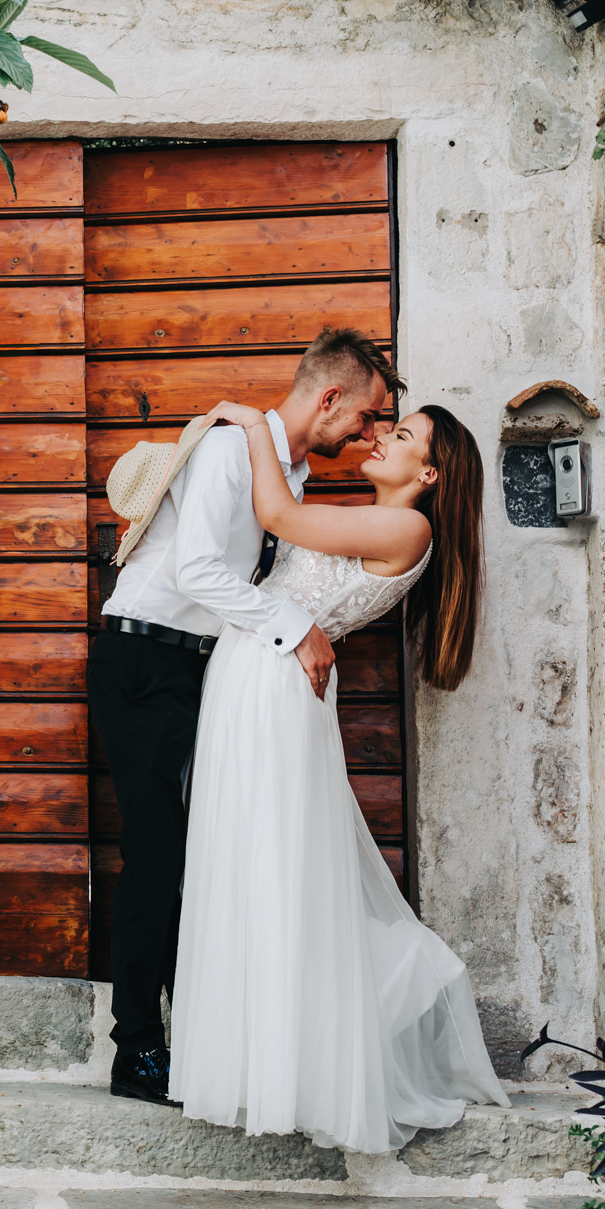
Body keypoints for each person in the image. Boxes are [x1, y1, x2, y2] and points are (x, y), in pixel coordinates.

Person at [171, 395, 507, 1152]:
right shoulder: (377, 514)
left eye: (405, 435)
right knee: (257, 861)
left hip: (276, 685)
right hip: (254, 671)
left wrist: (256, 426)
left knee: (280, 866)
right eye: (389, 425)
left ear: (430, 472)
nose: (384, 437)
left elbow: (279, 516)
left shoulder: (406, 525)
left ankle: (316, 1048)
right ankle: (264, 1056)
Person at [87, 328, 393, 1106]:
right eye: (365, 417)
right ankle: (136, 1051)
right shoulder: (231, 452)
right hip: (146, 659)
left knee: (201, 855)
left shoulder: (282, 473)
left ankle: (197, 1036)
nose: (366, 436)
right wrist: (294, 628)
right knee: (156, 853)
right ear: (329, 399)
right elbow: (196, 570)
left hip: (194, 668)